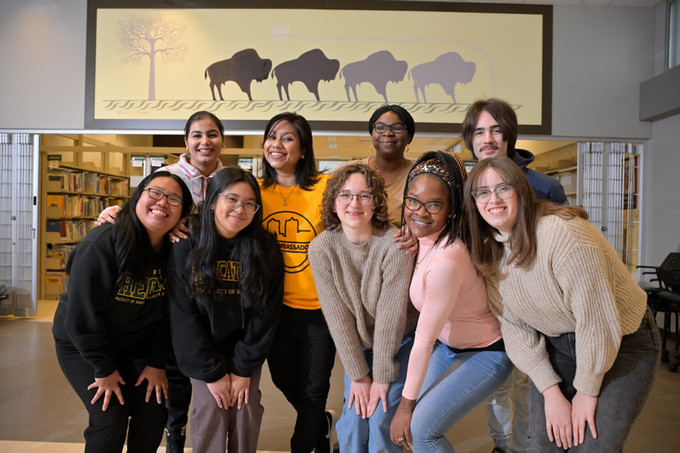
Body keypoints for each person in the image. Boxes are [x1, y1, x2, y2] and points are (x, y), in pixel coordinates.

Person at [464, 156, 660, 452]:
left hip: (621, 341)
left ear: (521, 191)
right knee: (545, 445)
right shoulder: (490, 254)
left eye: (503, 188)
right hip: (559, 346)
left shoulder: (565, 236)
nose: (493, 199)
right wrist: (550, 391)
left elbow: (596, 322)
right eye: (482, 192)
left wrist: (587, 391)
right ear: (473, 202)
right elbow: (515, 330)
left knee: (593, 445)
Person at [95, 110, 226, 452]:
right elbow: (141, 209)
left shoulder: (230, 179)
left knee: (199, 359)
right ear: (186, 141)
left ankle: (198, 432)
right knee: (171, 360)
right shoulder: (166, 176)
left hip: (211, 285)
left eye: (212, 134)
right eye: (197, 135)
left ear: (221, 140)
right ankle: (174, 431)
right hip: (166, 278)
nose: (205, 142)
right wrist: (113, 214)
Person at [53, 171, 193, 453]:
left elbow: (169, 314)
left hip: (137, 345)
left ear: (183, 214)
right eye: (155, 193)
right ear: (136, 197)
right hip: (84, 346)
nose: (163, 202)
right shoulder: (102, 243)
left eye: (174, 199)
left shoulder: (175, 251)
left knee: (155, 411)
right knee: (110, 417)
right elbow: (82, 319)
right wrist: (104, 369)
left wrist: (156, 363)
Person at [461, 98, 567, 453]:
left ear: (509, 134)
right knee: (496, 384)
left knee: (526, 381)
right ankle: (502, 444)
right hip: (486, 301)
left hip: (533, 306)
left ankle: (520, 447)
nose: (487, 138)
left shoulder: (543, 187)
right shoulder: (463, 185)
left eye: (495, 129)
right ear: (469, 139)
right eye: (478, 131)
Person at [389, 151, 513, 452]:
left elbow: (423, 341)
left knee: (420, 431)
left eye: (434, 205)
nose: (420, 212)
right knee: (414, 424)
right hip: (449, 348)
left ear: (451, 210)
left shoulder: (447, 260)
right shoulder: (421, 240)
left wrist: (405, 408)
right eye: (413, 201)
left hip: (486, 353)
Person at [167, 167, 284, 453]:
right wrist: (212, 373)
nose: (239, 209)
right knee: (210, 409)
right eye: (232, 199)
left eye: (249, 204)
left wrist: (243, 369)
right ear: (213, 200)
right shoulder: (186, 242)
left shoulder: (264, 247)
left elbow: (266, 313)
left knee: (246, 409)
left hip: (243, 349)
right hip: (203, 349)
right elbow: (183, 315)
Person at [308, 164, 418, 452]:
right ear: (333, 203)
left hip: (399, 341)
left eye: (364, 196)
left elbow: (390, 320)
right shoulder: (321, 248)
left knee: (381, 417)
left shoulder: (394, 245)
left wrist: (380, 377)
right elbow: (338, 318)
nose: (354, 204)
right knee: (356, 420)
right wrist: (359, 376)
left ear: (376, 203)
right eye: (345, 195)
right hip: (357, 343)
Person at [259, 112, 336, 453]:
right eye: (272, 136)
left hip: (322, 308)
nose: (277, 144)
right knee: (283, 379)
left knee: (315, 388)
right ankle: (320, 424)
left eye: (287, 138)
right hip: (274, 309)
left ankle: (303, 445)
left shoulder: (326, 187)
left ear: (303, 149)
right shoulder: (254, 191)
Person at [348, 104, 415, 228]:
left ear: (409, 137)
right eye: (380, 127)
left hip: (398, 246)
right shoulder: (350, 170)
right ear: (372, 134)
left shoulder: (418, 176)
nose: (388, 133)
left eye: (397, 128)